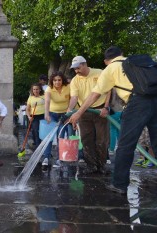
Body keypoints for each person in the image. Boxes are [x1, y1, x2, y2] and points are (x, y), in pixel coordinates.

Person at [68, 46, 157, 194]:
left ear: (106, 61)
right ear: (121, 54)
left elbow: (94, 95)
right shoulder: (134, 62)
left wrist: (78, 113)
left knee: (125, 145)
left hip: (137, 103)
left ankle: (119, 184)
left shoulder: (110, 69)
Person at [67, 55, 110, 174]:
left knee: (102, 140)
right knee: (86, 140)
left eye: (78, 68)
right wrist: (69, 111)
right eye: (74, 69)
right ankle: (91, 165)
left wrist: (106, 107)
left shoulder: (99, 73)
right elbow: (74, 97)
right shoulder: (75, 80)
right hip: (84, 112)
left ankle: (101, 165)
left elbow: (108, 90)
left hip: (100, 110)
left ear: (85, 64)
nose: (76, 71)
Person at [43, 71, 70, 166]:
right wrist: (46, 114)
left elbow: (72, 100)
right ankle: (46, 157)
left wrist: (68, 114)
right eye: (55, 80)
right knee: (48, 137)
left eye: (59, 80)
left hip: (64, 115)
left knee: (61, 136)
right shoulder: (49, 89)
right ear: (52, 81)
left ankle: (59, 158)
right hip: (52, 114)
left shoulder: (68, 87)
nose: (57, 82)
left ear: (62, 80)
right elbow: (47, 101)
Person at [26, 83, 45, 148]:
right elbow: (27, 109)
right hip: (34, 117)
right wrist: (29, 116)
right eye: (34, 89)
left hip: (43, 116)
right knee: (35, 131)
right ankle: (37, 147)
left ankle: (44, 147)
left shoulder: (44, 96)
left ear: (40, 90)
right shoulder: (30, 98)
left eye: (37, 89)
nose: (35, 91)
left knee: (43, 132)